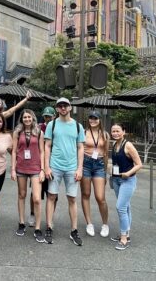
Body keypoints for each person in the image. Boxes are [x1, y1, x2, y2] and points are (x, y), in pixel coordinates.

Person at [44, 97, 85, 246]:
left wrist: (80, 168)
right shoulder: (52, 124)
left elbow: (81, 148)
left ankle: (74, 230)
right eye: (60, 106)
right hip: (55, 165)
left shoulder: (78, 126)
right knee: (51, 196)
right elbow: (47, 146)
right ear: (57, 109)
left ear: (70, 107)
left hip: (72, 167)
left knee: (72, 198)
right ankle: (49, 226)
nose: (62, 108)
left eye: (65, 105)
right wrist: (46, 166)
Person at [11, 109, 45, 243]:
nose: (27, 119)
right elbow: (14, 151)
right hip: (21, 167)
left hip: (36, 168)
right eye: (25, 117)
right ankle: (21, 223)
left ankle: (37, 227)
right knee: (22, 195)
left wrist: (42, 169)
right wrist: (13, 169)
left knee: (36, 198)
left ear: (33, 118)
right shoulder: (17, 132)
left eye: (29, 117)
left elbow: (42, 151)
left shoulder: (39, 132)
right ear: (22, 119)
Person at [110, 122, 142, 250]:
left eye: (118, 131)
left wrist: (127, 173)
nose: (115, 133)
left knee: (120, 207)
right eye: (113, 131)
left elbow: (139, 164)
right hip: (117, 180)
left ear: (124, 132)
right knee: (126, 207)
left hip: (128, 181)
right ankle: (126, 234)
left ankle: (123, 238)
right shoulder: (114, 144)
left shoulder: (128, 145)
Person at [80, 110, 110, 238]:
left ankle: (105, 224)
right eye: (91, 118)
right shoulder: (83, 132)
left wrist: (106, 172)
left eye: (95, 118)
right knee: (86, 194)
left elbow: (106, 153)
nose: (93, 120)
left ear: (99, 120)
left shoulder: (105, 135)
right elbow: (79, 150)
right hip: (85, 164)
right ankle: (89, 223)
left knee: (100, 197)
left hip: (99, 165)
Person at [28, 106, 56, 228]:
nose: (48, 118)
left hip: (53, 163)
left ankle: (50, 217)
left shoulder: (57, 126)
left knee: (53, 193)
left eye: (50, 116)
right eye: (46, 116)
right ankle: (32, 214)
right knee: (34, 192)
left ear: (54, 116)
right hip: (38, 163)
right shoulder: (38, 128)